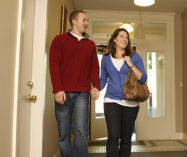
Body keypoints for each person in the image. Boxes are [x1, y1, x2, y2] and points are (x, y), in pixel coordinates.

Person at [49, 10, 100, 157]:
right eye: (84, 20)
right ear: (74, 21)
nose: (86, 23)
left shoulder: (90, 44)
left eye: (87, 20)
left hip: (82, 94)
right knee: (64, 132)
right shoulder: (59, 40)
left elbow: (94, 67)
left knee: (81, 131)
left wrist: (96, 86)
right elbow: (54, 65)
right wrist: (58, 89)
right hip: (62, 93)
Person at [100, 28, 147, 157]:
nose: (124, 39)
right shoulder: (105, 59)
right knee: (113, 136)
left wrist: (131, 64)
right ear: (114, 39)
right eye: (121, 36)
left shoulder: (135, 57)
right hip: (111, 100)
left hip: (131, 103)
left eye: (126, 37)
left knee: (126, 139)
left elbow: (143, 78)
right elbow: (103, 79)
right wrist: (95, 88)